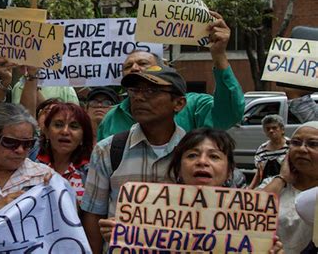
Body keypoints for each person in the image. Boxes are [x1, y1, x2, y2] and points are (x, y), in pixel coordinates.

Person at [98, 128, 284, 254]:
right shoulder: (142, 213)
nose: (202, 161)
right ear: (178, 168)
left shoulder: (250, 221)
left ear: (229, 171)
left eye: (214, 156)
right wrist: (122, 237)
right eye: (192, 155)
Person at [81, 64, 187, 253]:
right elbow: (93, 215)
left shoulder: (194, 153)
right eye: (134, 90)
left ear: (178, 103)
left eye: (152, 90)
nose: (139, 97)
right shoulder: (108, 150)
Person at [97, 11, 245, 141]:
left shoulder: (193, 106)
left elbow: (229, 113)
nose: (135, 68)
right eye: (128, 67)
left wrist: (219, 55)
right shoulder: (112, 118)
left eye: (143, 63)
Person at [260, 121, 318, 253]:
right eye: (296, 143)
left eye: (313, 144)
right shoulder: (273, 184)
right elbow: (247, 213)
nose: (302, 149)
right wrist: (282, 178)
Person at [37, 102, 93, 203]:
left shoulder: (92, 171)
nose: (65, 131)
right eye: (58, 125)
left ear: (83, 136)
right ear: (46, 132)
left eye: (74, 126)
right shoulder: (32, 167)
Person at [249, 114, 289, 189]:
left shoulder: (291, 147)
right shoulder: (262, 150)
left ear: (282, 130)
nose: (271, 131)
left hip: (288, 189)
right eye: (268, 129)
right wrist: (250, 188)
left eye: (274, 128)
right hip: (266, 189)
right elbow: (259, 173)